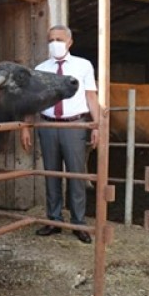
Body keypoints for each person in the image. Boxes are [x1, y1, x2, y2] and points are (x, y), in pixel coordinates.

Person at [21, 24, 99, 244]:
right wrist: (26, 126)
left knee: (76, 175)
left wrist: (97, 125)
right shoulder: (41, 68)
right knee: (52, 174)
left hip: (74, 126)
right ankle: (54, 220)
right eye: (51, 40)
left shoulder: (83, 66)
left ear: (70, 42)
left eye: (59, 39)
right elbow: (33, 100)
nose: (54, 43)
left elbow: (91, 97)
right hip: (47, 125)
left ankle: (78, 223)